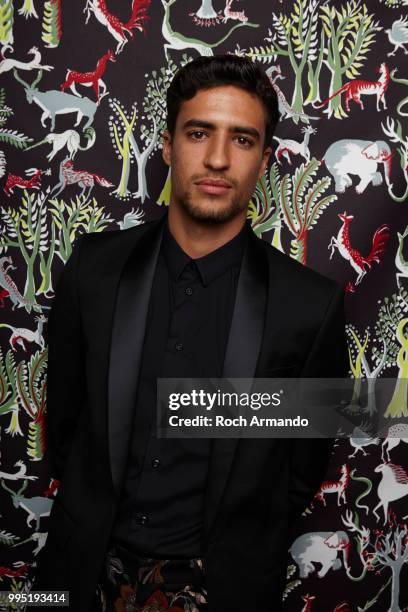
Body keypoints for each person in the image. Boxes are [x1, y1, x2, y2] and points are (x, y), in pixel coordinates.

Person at [32, 55, 348, 611]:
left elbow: (299, 471)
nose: (218, 159)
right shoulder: (94, 269)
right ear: (168, 146)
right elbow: (65, 422)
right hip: (80, 570)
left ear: (265, 160)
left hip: (221, 586)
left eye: (243, 140)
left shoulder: (310, 306)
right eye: (199, 132)